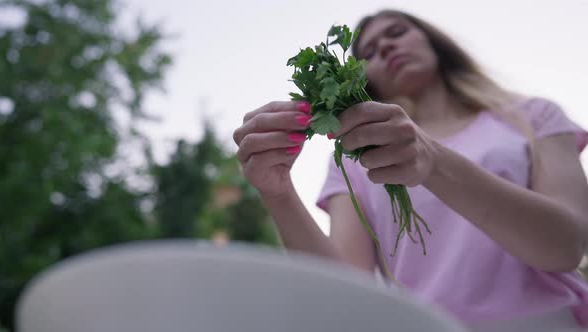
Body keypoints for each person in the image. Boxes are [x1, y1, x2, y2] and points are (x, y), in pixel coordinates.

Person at [232, 9, 588, 331]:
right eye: (368, 52)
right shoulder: (358, 155)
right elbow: (347, 293)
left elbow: (566, 245)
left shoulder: (533, 116)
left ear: (433, 42)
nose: (385, 47)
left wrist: (433, 161)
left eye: (397, 32)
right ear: (362, 79)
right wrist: (278, 194)